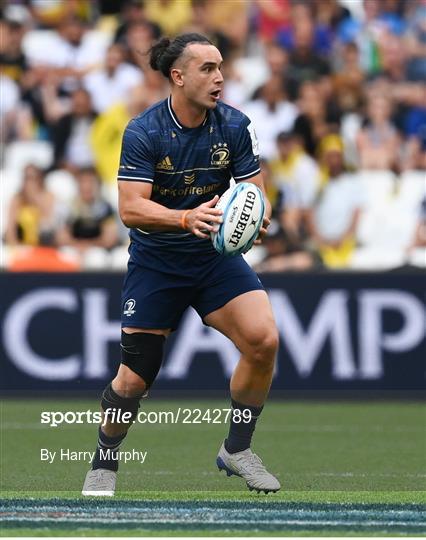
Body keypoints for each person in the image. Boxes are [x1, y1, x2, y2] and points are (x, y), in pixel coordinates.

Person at [82, 33, 280, 496]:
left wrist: (256, 218)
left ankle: (237, 449)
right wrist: (185, 217)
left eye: (221, 67)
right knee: (133, 380)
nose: (219, 77)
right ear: (178, 76)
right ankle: (104, 461)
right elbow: (130, 209)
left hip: (213, 257)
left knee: (263, 339)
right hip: (157, 261)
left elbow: (255, 191)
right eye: (208, 68)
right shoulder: (144, 131)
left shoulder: (235, 125)